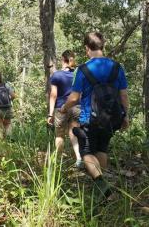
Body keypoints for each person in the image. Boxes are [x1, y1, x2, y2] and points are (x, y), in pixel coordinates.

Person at [60, 32, 129, 201]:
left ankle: (102, 186)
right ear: (103, 45)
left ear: (86, 48)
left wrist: (64, 107)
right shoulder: (117, 67)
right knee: (102, 148)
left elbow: (75, 97)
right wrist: (125, 116)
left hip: (88, 117)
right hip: (111, 118)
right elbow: (124, 96)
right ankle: (102, 190)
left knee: (86, 151)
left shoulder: (82, 69)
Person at [47, 50, 83, 168]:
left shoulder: (57, 75)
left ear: (63, 59)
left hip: (61, 108)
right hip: (77, 107)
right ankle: (78, 158)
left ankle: (58, 161)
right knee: (74, 133)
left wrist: (50, 114)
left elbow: (53, 95)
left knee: (59, 135)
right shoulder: (78, 75)